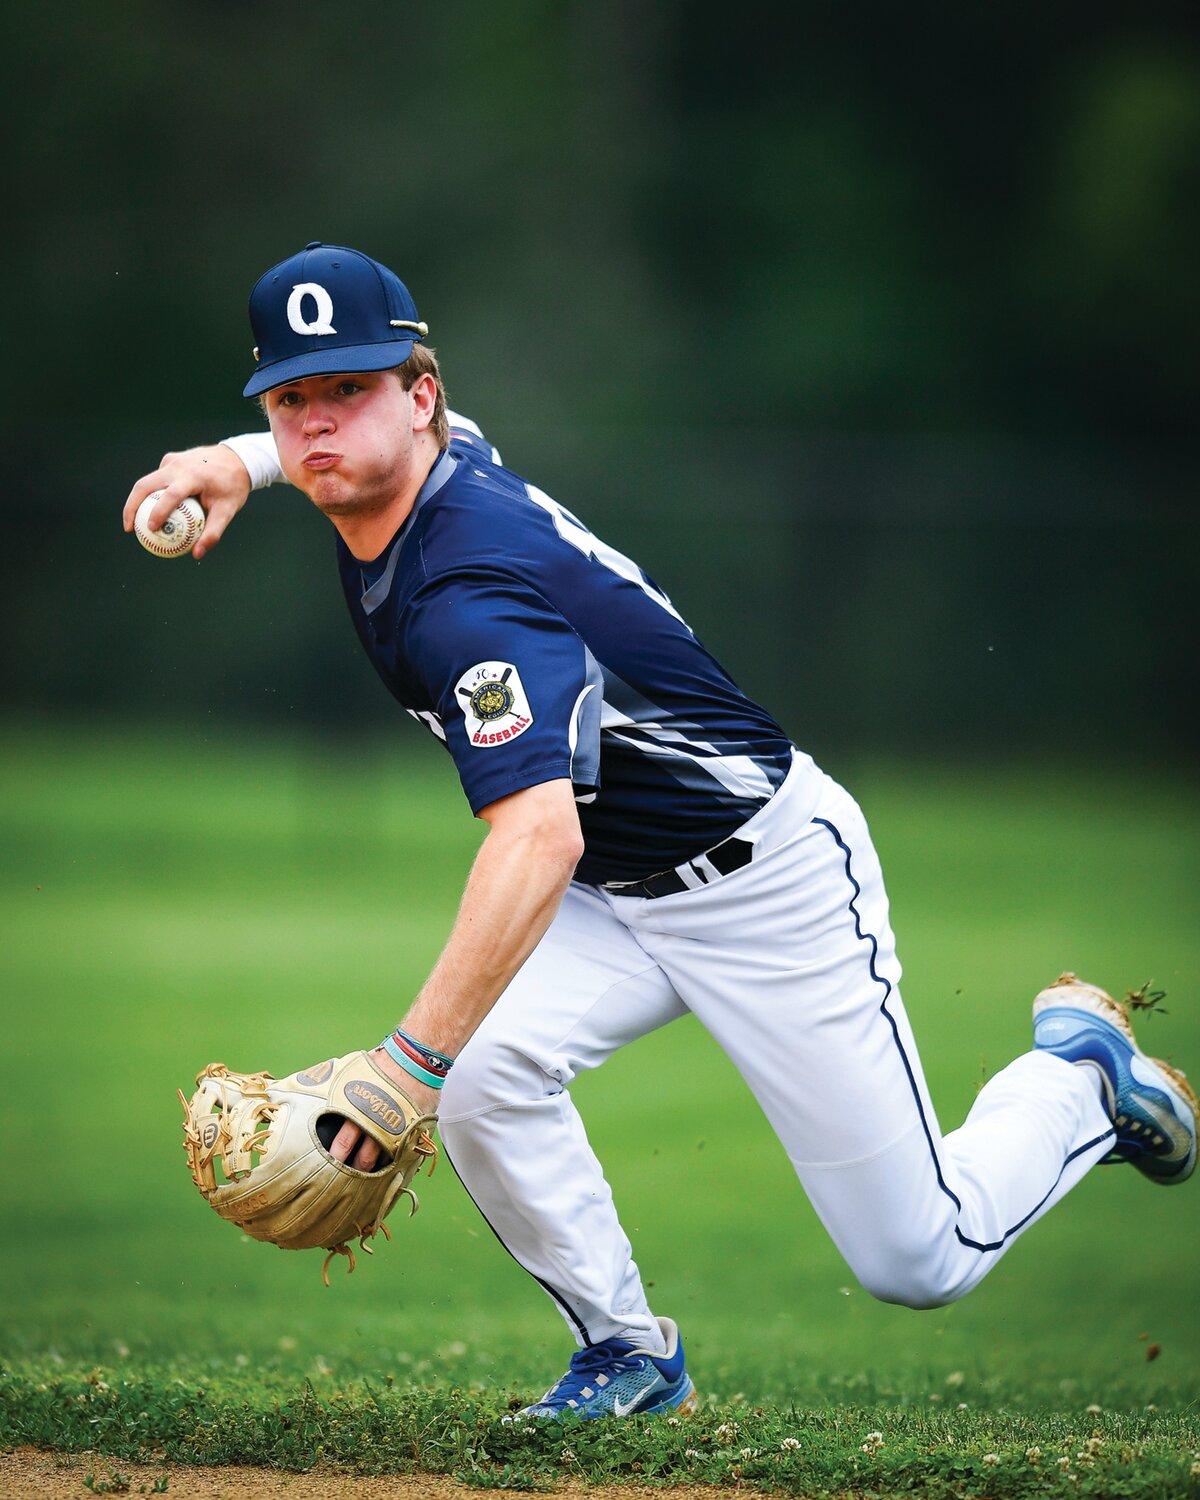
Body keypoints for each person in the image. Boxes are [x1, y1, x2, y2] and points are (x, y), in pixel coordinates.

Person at [124, 242, 1197, 1421]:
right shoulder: (435, 465)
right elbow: (357, 443)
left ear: (419, 395)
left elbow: (538, 839)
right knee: (489, 1078)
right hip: (621, 892)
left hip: (766, 880)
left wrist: (401, 1070)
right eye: (291, 399)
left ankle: (1078, 1085)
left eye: (351, 388)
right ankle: (628, 1354)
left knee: (918, 1260)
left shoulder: (463, 594)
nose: (317, 423)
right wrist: (234, 461)